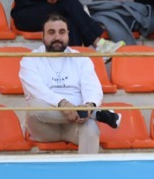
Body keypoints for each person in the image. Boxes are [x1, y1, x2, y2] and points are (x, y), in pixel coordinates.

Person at [19, 13, 114, 154]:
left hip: (75, 125)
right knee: (34, 108)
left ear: (68, 34)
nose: (57, 37)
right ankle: (91, 114)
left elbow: (93, 88)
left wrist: (89, 105)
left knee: (91, 129)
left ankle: (86, 174)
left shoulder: (81, 59)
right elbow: (38, 91)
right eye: (51, 32)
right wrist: (63, 104)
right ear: (42, 36)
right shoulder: (30, 60)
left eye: (62, 32)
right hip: (44, 128)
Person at [12, 0, 124, 53]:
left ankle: (73, 60)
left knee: (69, 21)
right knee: (69, 2)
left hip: (46, 9)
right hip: (24, 15)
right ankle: (98, 43)